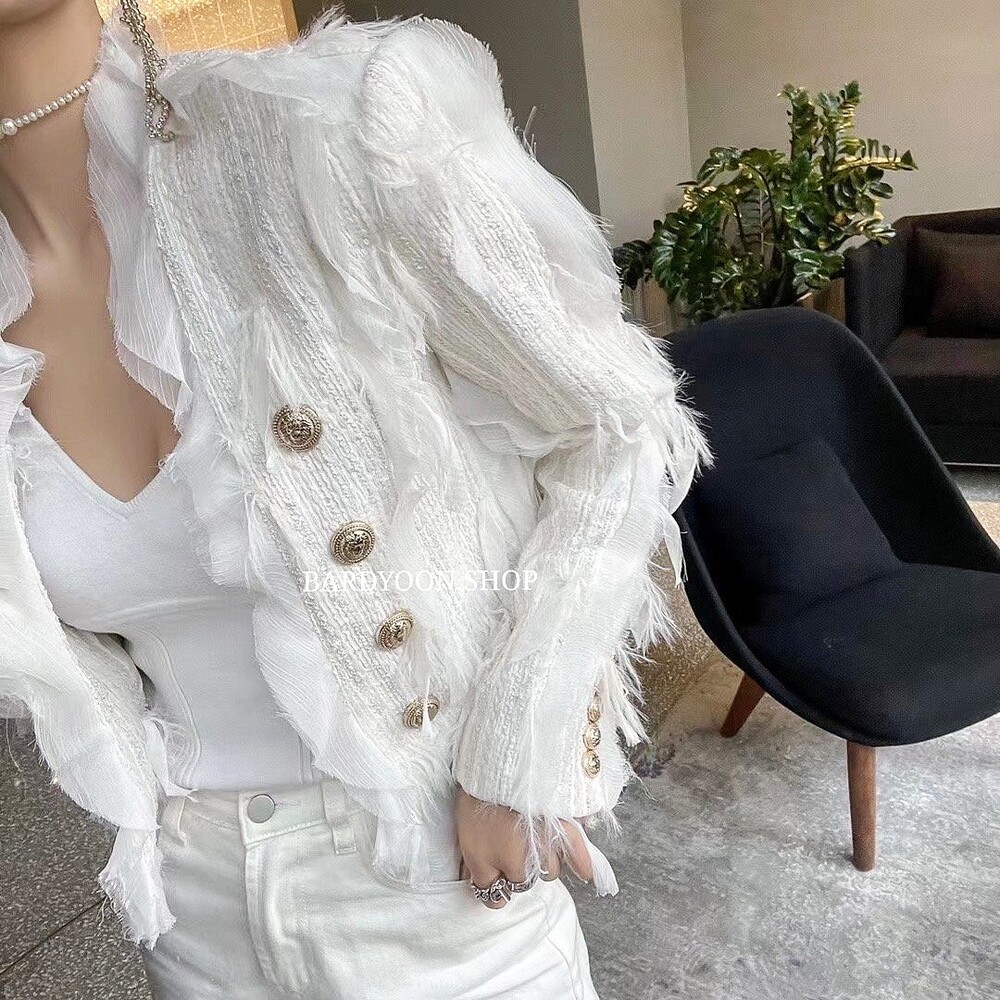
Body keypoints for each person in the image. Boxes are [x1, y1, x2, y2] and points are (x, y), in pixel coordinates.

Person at [0, 0, 709, 996]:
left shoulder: (330, 128)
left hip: (435, 883)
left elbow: (614, 425)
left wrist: (519, 750)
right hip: (194, 911)